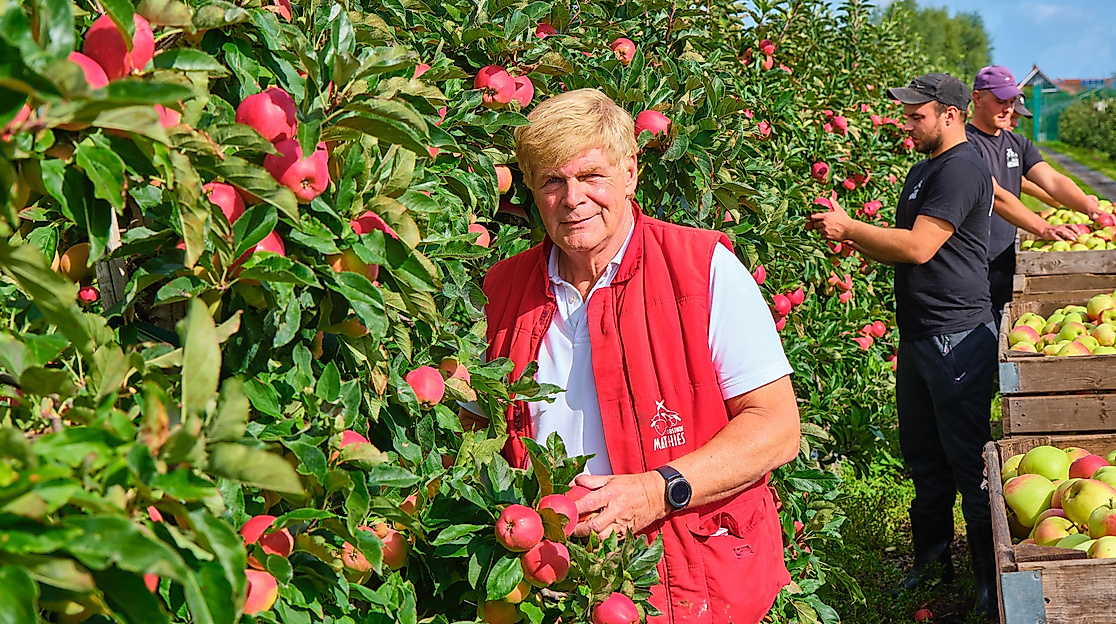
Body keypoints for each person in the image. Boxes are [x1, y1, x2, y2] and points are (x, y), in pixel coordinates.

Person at [459, 88, 801, 623]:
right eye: (552, 180)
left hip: (684, 576)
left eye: (591, 175)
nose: (573, 197)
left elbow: (777, 428)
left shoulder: (702, 268)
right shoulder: (501, 289)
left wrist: (658, 490)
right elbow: (474, 430)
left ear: (630, 173)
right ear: (531, 190)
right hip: (548, 576)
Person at [808, 73, 998, 619]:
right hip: (919, 335)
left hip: (957, 335)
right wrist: (855, 242)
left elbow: (919, 247)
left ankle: (988, 583)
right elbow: (905, 252)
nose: (907, 122)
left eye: (918, 114)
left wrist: (849, 229)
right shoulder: (922, 171)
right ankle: (932, 562)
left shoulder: (962, 169)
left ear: (951, 115)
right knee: (923, 456)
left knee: (968, 459)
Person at [966, 66, 1103, 321]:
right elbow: (995, 194)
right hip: (974, 262)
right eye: (1000, 101)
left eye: (1011, 101)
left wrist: (1088, 206)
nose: (1008, 109)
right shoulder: (965, 144)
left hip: (1007, 258)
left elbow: (1052, 180)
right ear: (977, 98)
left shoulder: (1017, 144)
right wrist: (1043, 227)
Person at [1011, 99, 1062, 209]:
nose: (1015, 124)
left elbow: (1050, 178)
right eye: (1012, 117)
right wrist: (1055, 200)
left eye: (1017, 119)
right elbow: (1014, 179)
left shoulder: (1020, 143)